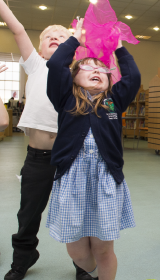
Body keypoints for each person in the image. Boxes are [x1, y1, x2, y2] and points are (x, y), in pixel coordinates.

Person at [0, 2, 94, 279]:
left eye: (61, 36)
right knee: (28, 213)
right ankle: (23, 256)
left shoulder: (79, 74)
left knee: (76, 213)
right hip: (38, 157)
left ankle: (83, 264)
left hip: (72, 157)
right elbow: (16, 30)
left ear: (74, 46)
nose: (54, 37)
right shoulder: (37, 65)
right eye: (48, 37)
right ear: (40, 50)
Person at [45, 18, 140, 280]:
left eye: (103, 70)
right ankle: (94, 273)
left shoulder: (113, 101)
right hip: (72, 178)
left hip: (105, 179)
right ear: (73, 77)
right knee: (76, 251)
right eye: (87, 67)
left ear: (110, 81)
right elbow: (55, 64)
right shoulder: (65, 97)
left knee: (103, 247)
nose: (97, 71)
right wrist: (75, 39)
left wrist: (119, 47)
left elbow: (133, 77)